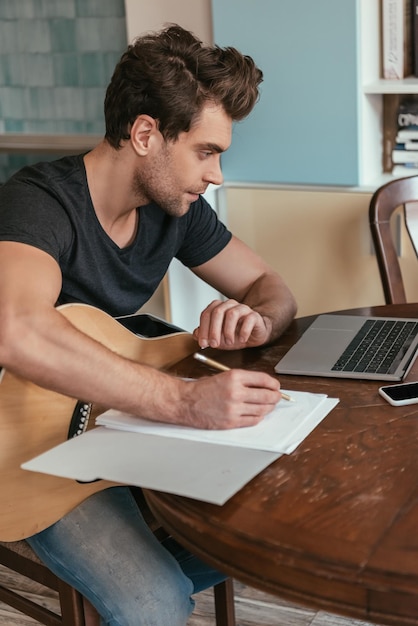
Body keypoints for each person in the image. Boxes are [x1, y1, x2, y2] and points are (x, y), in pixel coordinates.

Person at [0, 24, 297, 626]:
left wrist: (255, 320)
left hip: (124, 432)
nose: (215, 174)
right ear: (144, 135)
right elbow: (18, 329)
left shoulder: (175, 212)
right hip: (29, 452)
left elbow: (273, 289)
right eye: (206, 152)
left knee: (268, 530)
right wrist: (185, 402)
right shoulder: (37, 202)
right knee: (156, 602)